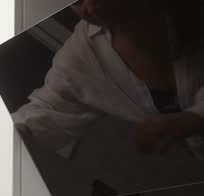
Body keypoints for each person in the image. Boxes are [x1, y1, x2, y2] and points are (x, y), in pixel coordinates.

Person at [13, 0, 204, 158]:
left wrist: (195, 118)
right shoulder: (81, 54)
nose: (89, 8)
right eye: (77, 3)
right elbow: (45, 111)